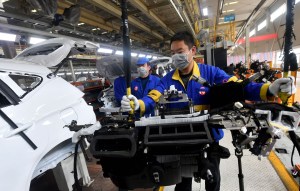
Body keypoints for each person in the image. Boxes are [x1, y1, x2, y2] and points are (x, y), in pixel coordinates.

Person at [120, 31, 296, 191]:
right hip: (180, 139)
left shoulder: (211, 73)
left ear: (192, 50)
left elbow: (239, 88)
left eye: (180, 51)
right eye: (172, 53)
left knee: (213, 180)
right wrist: (139, 104)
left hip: (209, 137)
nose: (175, 57)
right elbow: (153, 97)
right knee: (182, 184)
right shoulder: (167, 79)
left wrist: (268, 89)